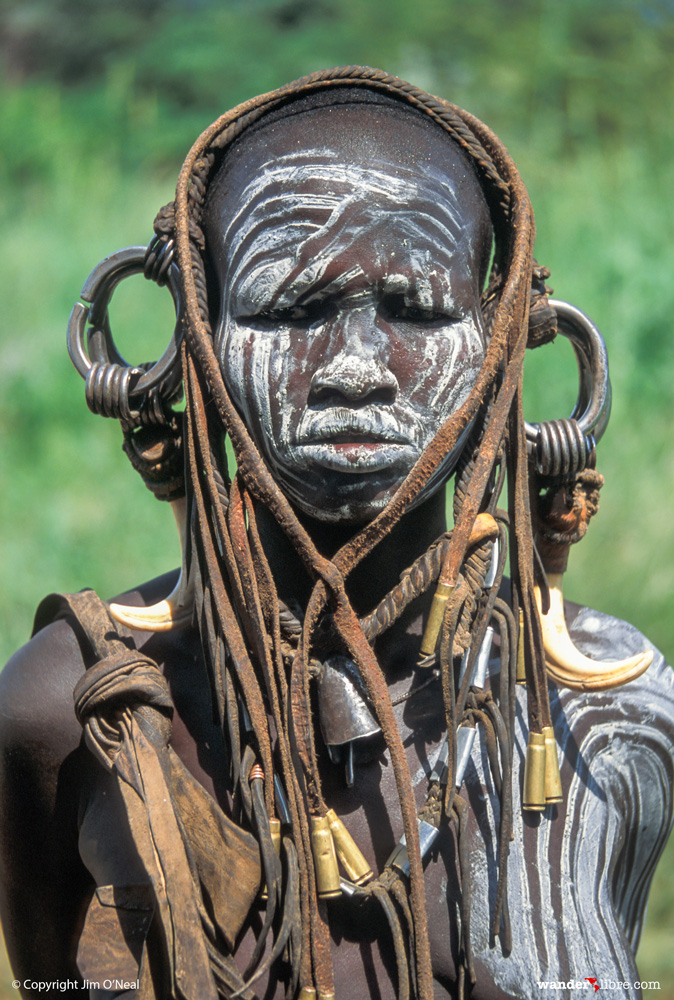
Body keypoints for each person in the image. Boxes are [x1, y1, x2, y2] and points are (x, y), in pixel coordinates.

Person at [0, 67, 672, 1000]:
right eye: (291, 308)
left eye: (416, 309)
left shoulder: (606, 714)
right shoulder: (70, 709)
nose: (355, 369)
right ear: (193, 337)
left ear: (506, 341)